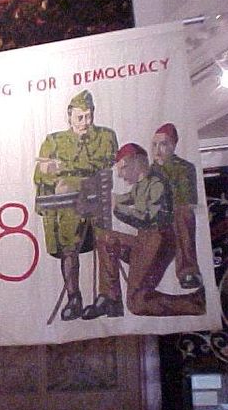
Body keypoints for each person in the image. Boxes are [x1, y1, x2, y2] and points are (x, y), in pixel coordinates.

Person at [82, 143, 206, 319]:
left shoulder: (157, 183)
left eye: (123, 168)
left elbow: (148, 217)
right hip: (145, 242)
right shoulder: (141, 185)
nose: (120, 174)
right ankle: (110, 298)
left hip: (157, 243)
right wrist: (106, 200)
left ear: (136, 164)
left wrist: (117, 207)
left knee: (137, 303)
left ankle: (196, 303)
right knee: (106, 238)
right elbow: (126, 198)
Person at [33, 90, 118, 321]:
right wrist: (52, 173)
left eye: (88, 116)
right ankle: (74, 298)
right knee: (69, 250)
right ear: (69, 117)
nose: (85, 122)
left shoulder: (106, 136)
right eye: (79, 117)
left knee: (106, 244)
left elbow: (106, 162)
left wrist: (65, 171)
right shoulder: (54, 140)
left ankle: (107, 297)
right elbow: (41, 175)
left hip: (97, 199)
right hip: (68, 207)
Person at [150, 122, 203, 289]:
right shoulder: (149, 171)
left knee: (183, 214)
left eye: (163, 144)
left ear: (173, 146)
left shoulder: (185, 168)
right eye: (154, 145)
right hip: (155, 218)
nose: (157, 149)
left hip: (173, 217)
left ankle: (188, 271)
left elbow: (186, 201)